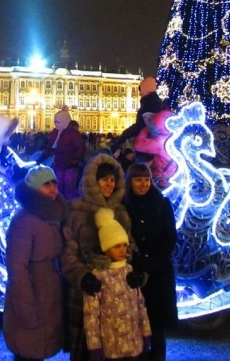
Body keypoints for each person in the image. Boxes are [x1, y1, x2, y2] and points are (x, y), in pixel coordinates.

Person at [61, 154, 143, 361]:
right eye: (104, 179)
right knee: (87, 351)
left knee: (118, 348)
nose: (109, 184)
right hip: (87, 294)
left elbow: (130, 247)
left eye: (113, 180)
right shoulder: (76, 210)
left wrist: (137, 273)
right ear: (92, 180)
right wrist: (82, 276)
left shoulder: (120, 211)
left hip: (117, 297)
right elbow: (67, 251)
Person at [3, 165, 68, 361]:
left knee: (37, 351)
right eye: (45, 185)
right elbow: (17, 268)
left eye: (54, 184)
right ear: (33, 189)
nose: (52, 189)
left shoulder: (52, 216)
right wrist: (26, 309)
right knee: (27, 351)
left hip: (47, 295)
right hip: (32, 296)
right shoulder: (24, 220)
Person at [124, 163, 178, 361]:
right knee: (134, 326)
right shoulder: (124, 206)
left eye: (147, 179)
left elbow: (170, 238)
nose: (144, 184)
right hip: (134, 274)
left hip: (158, 273)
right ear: (130, 181)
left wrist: (152, 262)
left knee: (156, 327)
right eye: (139, 179)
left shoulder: (162, 204)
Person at [83, 207, 152, 361]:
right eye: (116, 246)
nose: (122, 250)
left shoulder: (129, 271)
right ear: (106, 249)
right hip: (112, 347)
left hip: (134, 344)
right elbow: (91, 315)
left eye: (124, 245)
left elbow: (140, 305)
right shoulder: (99, 276)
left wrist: (146, 332)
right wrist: (94, 347)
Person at [41, 109, 86, 201]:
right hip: (59, 164)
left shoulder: (73, 133)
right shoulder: (55, 132)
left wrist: (74, 160)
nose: (55, 124)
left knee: (69, 188)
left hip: (70, 166)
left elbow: (81, 148)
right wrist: (41, 158)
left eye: (58, 122)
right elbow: (50, 146)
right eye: (55, 121)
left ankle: (72, 208)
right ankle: (61, 207)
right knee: (59, 187)